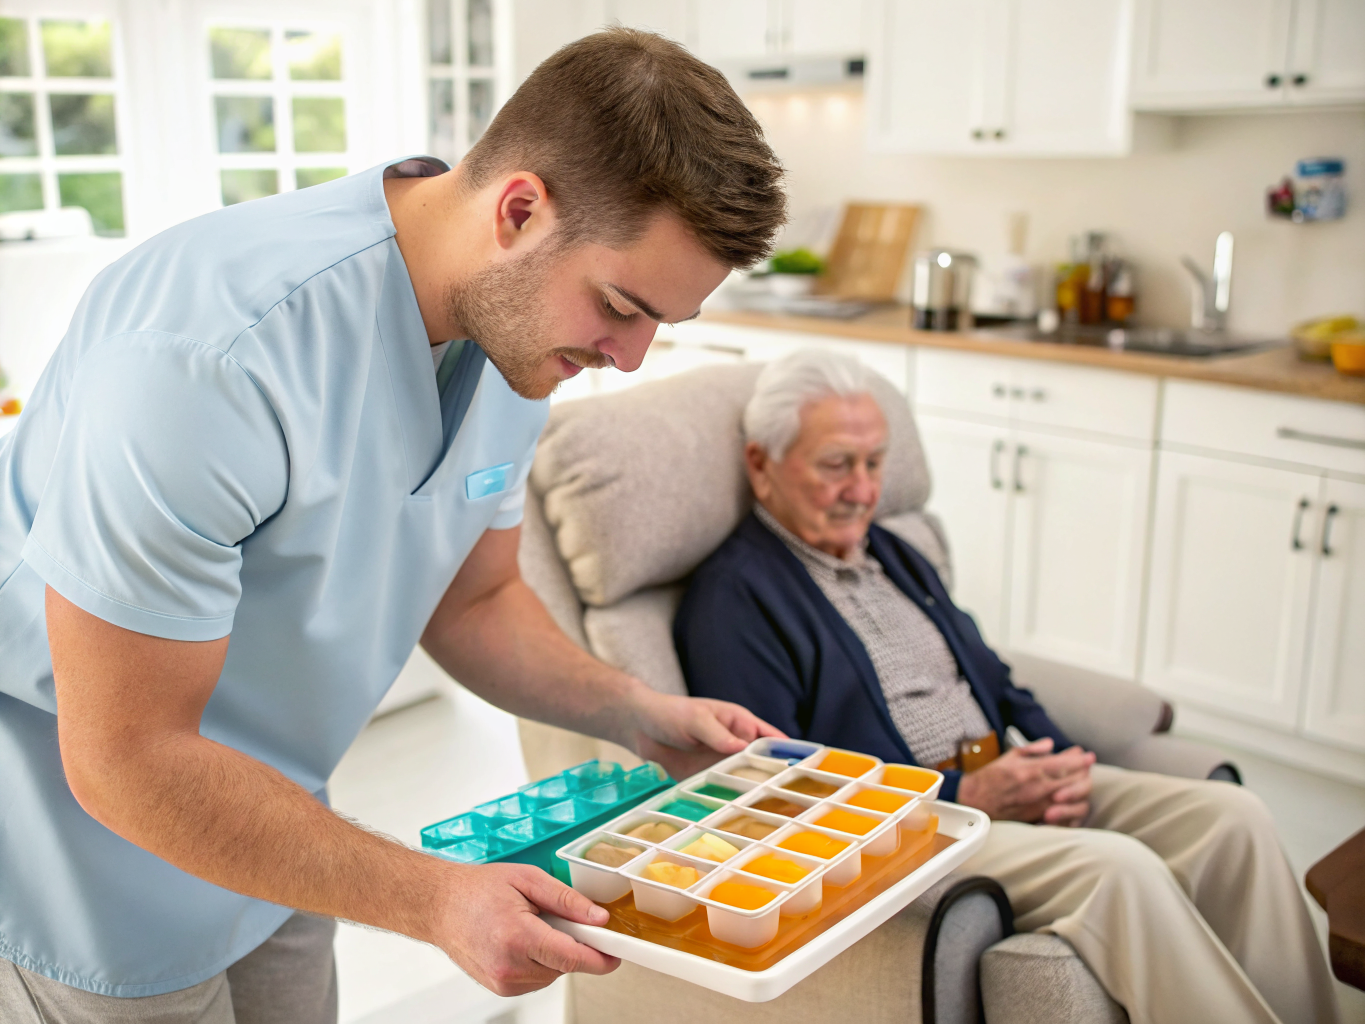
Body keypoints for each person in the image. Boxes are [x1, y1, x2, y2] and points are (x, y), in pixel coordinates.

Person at [0, 29, 787, 1023]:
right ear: (518, 211)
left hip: (276, 821)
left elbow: (478, 598)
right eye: (621, 306)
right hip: (86, 851)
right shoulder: (208, 356)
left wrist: (637, 713)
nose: (629, 358)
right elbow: (126, 755)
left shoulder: (517, 332)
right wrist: (437, 898)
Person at [674, 350, 1339, 1024]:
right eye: (836, 464)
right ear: (760, 465)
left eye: (874, 463)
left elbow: (989, 672)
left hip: (998, 777)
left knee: (1233, 817)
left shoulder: (890, 551)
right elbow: (782, 790)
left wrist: (1062, 756)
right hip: (914, 829)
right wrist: (966, 794)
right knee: (1121, 871)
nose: (863, 490)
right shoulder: (734, 599)